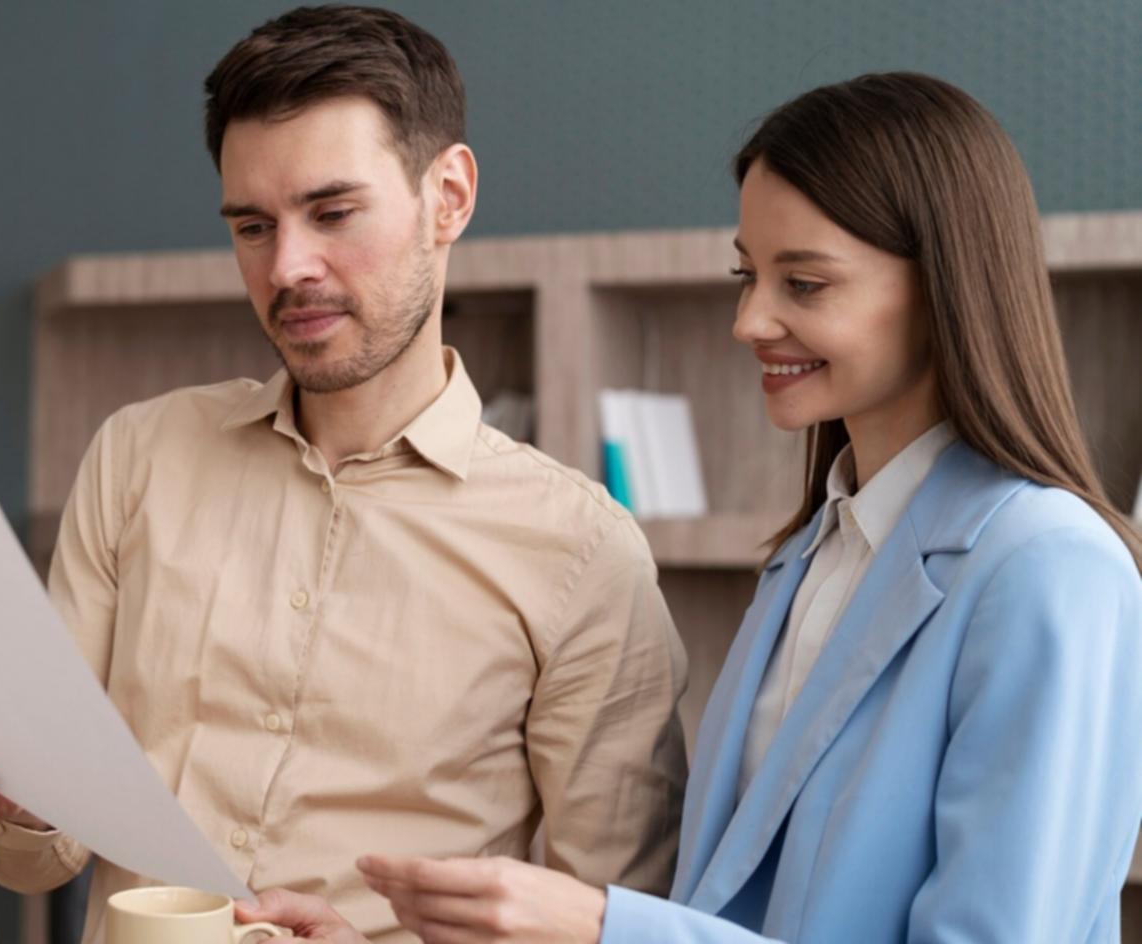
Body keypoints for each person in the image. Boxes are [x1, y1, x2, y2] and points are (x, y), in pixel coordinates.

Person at [257, 72, 1142, 943]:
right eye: (746, 274)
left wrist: (603, 927)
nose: (749, 319)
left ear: (946, 288)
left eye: (804, 284)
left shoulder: (1047, 569)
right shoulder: (811, 556)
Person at [0, 6, 689, 942]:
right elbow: (36, 858)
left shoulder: (583, 553)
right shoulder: (138, 457)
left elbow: (619, 925)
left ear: (448, 196)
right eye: (252, 226)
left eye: (333, 213)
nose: (287, 267)